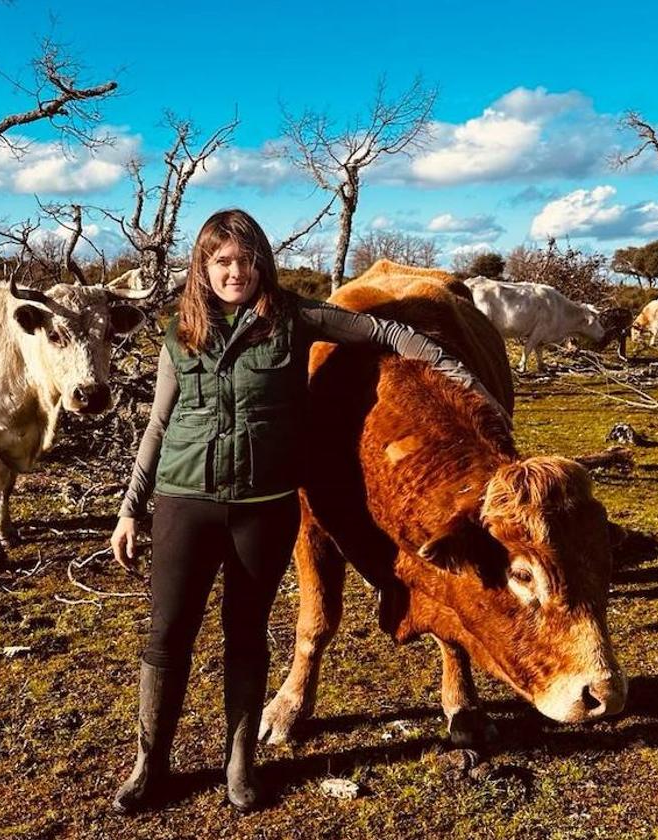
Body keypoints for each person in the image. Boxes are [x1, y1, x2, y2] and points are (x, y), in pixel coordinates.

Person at [109, 208, 504, 813]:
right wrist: (131, 508)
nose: (235, 272)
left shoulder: (295, 319)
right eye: (222, 262)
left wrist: (453, 370)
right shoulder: (178, 333)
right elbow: (158, 425)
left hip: (262, 508)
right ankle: (149, 764)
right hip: (184, 503)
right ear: (204, 268)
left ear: (261, 264)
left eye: (245, 261)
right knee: (168, 637)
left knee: (246, 634)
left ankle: (240, 764)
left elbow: (385, 334)